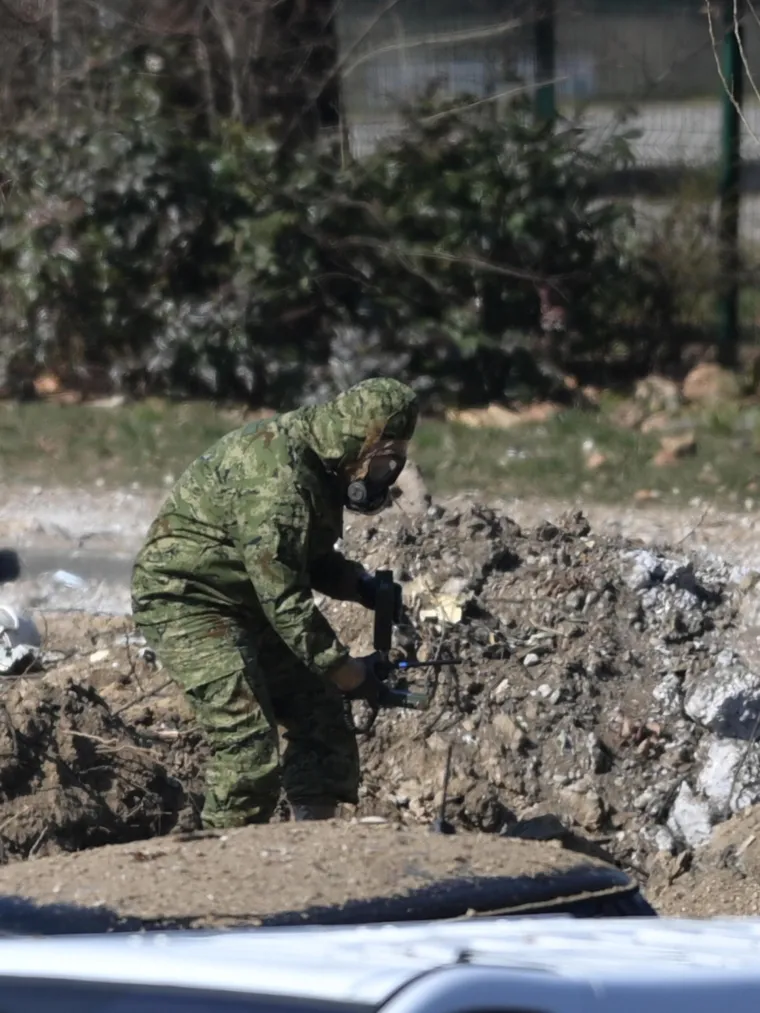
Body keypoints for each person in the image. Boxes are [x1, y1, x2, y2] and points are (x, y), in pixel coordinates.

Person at [131, 377, 419, 828]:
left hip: (248, 598)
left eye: (393, 464)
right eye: (381, 462)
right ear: (357, 443)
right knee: (247, 747)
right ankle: (218, 861)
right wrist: (348, 672)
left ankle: (309, 845)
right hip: (188, 600)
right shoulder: (279, 481)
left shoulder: (321, 463)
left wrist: (359, 585)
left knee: (321, 714)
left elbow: (301, 557)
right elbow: (285, 601)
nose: (382, 476)